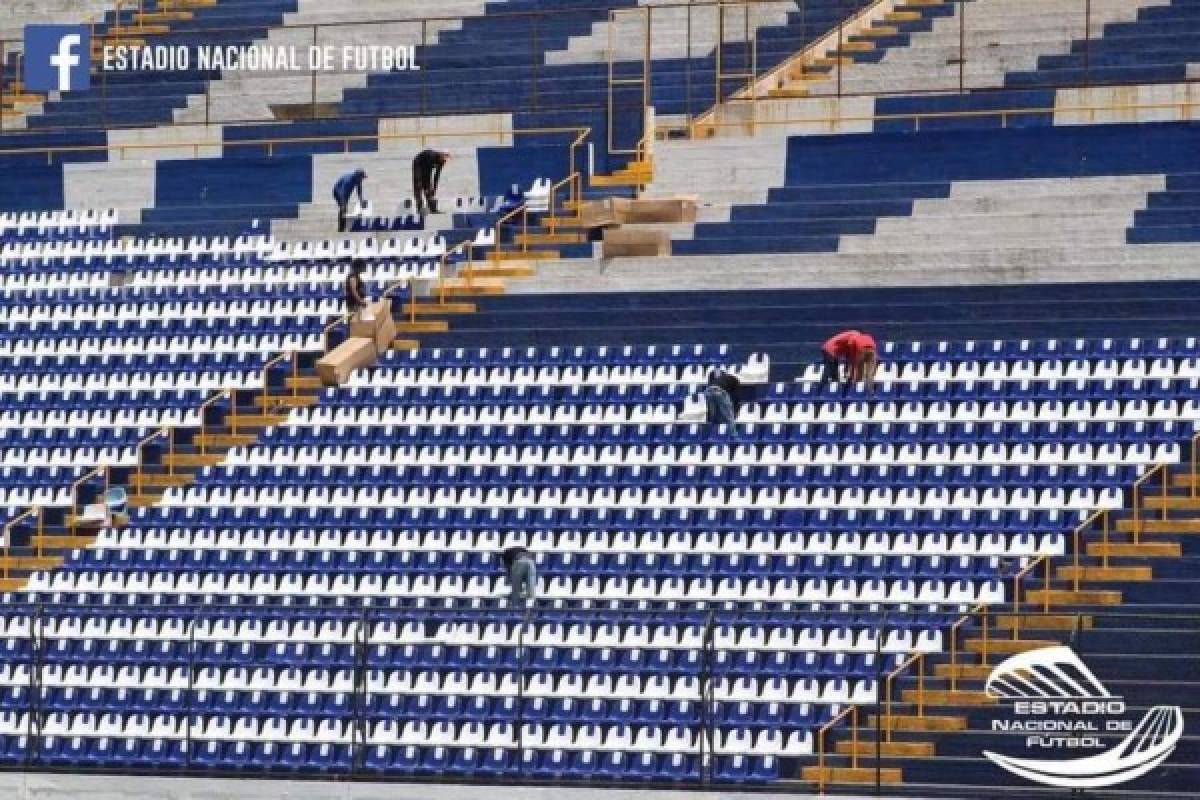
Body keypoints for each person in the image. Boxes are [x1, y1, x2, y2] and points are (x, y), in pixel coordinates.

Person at [820, 329, 879, 394]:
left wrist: (849, 366)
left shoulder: (853, 335)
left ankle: (851, 388)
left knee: (855, 368)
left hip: (860, 350)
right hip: (872, 350)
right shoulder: (866, 336)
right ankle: (870, 392)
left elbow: (850, 352)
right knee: (869, 373)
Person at [412, 149, 450, 216]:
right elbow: (427, 172)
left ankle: (433, 209)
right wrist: (428, 186)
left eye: (446, 158)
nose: (444, 160)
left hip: (426, 168)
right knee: (418, 184)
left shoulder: (442, 161)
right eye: (444, 157)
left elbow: (437, 175)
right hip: (418, 163)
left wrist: (434, 189)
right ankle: (420, 208)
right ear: (441, 154)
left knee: (429, 189)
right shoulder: (432, 156)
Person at [332, 169, 367, 233]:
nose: (362, 180)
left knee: (344, 208)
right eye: (362, 178)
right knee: (343, 208)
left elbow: (359, 191)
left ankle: (344, 225)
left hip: (345, 192)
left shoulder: (357, 179)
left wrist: (361, 200)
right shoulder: (348, 181)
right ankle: (341, 228)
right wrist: (343, 204)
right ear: (358, 176)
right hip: (338, 192)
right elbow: (342, 192)